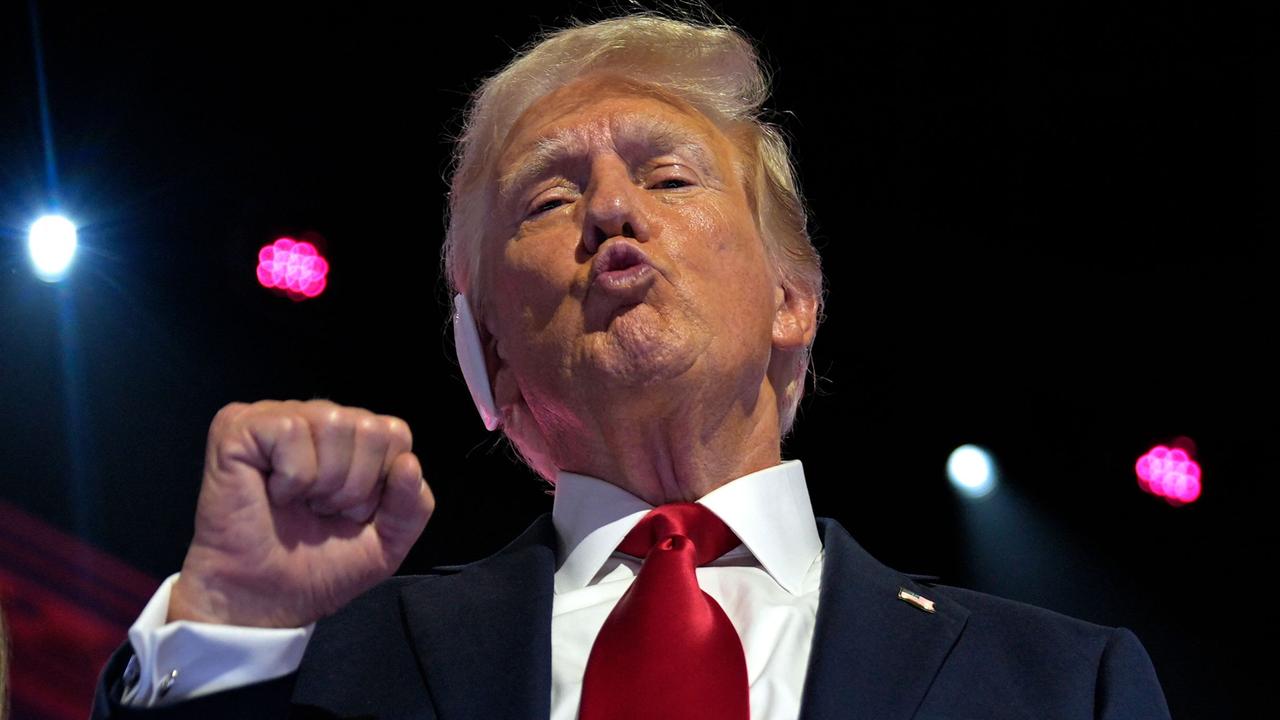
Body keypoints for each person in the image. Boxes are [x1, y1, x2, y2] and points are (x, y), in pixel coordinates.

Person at [92, 10, 1171, 719]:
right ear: (493, 358)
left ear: (792, 298)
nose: (609, 207)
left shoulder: (1061, 685)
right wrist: (232, 625)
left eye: (669, 179)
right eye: (547, 200)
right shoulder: (336, 666)